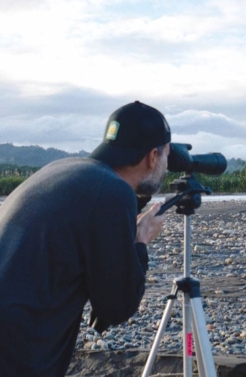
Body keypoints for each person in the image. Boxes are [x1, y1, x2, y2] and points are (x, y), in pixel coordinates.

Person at [0, 101, 171, 376]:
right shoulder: (113, 193)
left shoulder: (65, 170)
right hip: (17, 353)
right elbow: (116, 307)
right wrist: (141, 241)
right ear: (152, 156)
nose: (166, 166)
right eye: (167, 156)